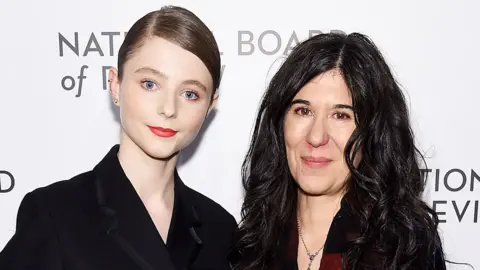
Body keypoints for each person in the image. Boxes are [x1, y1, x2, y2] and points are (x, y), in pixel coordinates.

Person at [0, 5, 236, 270]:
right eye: (150, 84)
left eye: (190, 93)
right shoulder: (55, 213)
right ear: (115, 84)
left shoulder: (219, 228)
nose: (168, 109)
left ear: (209, 106)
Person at [231, 32, 447, 269]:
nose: (316, 137)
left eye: (341, 115)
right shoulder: (248, 246)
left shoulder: (405, 249)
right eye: (303, 111)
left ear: (371, 132)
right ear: (280, 123)